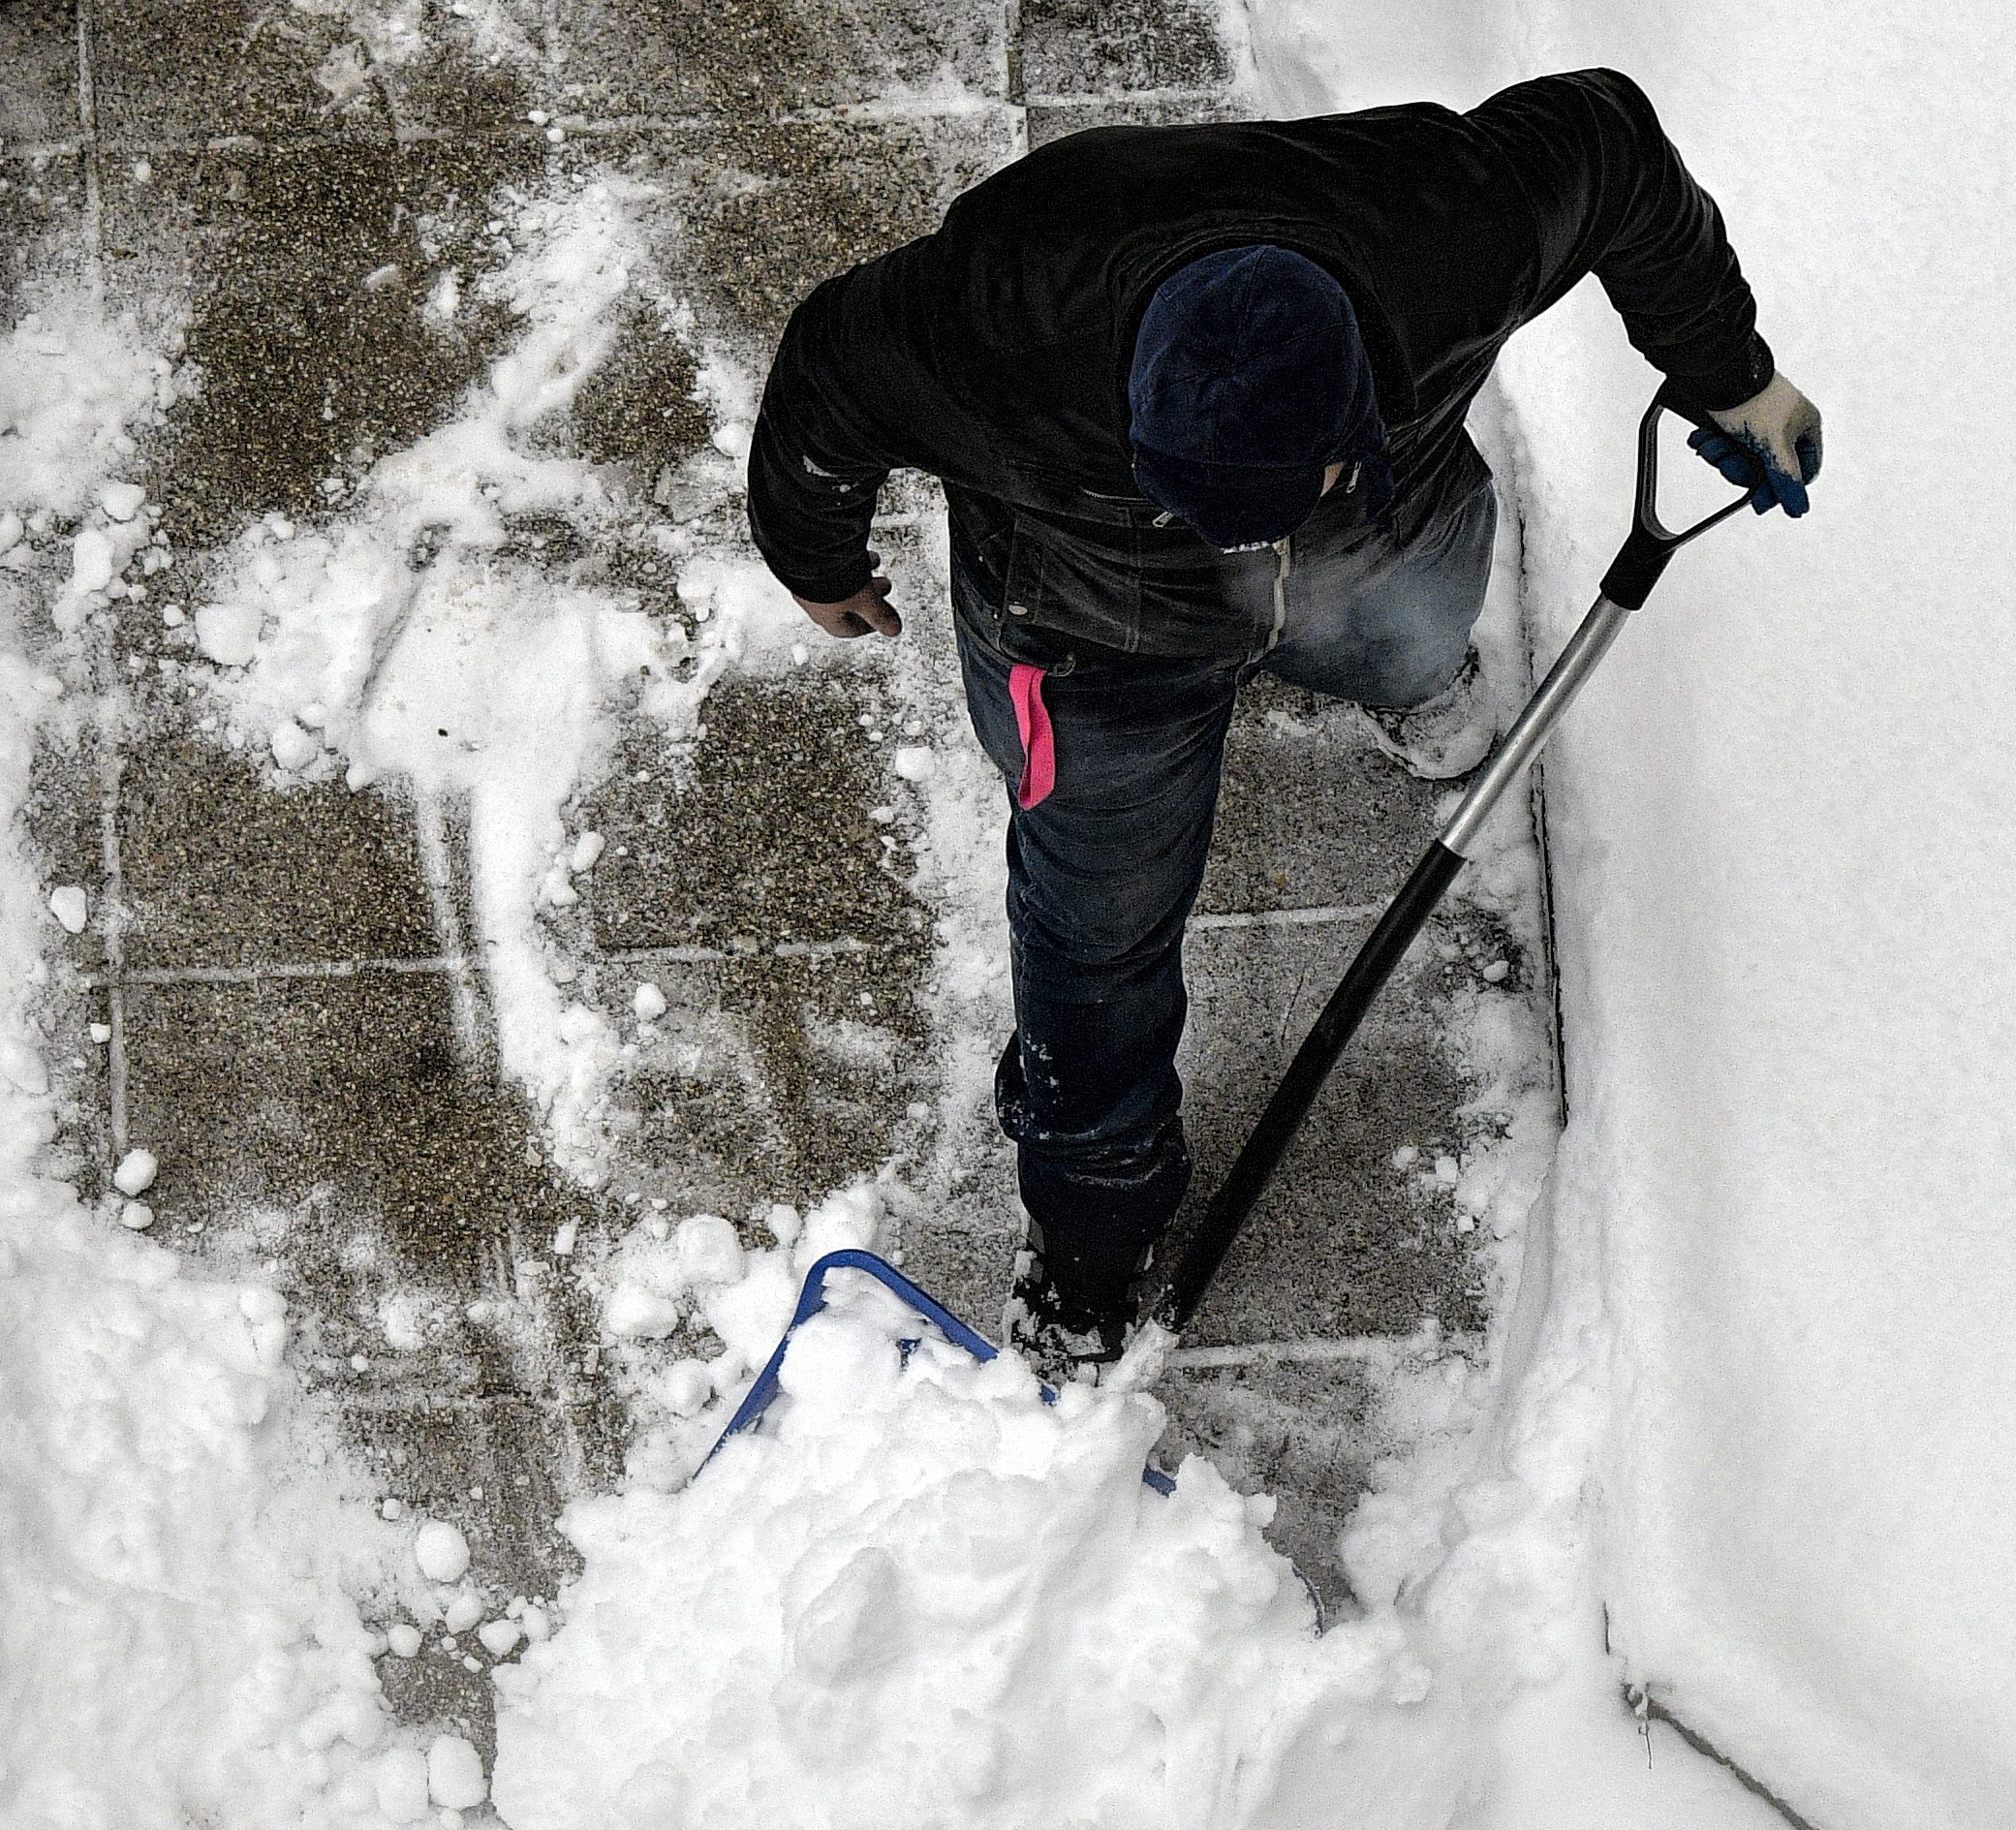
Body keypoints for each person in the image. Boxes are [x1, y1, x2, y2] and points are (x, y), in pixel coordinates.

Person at [745, 70, 1821, 1360]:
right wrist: (814, 555)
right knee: (1097, 924)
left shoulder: (1454, 232)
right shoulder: (995, 321)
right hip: (1093, 627)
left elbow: (1613, 141)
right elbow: (823, 374)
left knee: (1414, 611)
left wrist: (1731, 376)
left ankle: (1413, 678)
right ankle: (1092, 1217)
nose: (1242, 544)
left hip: (1381, 536)